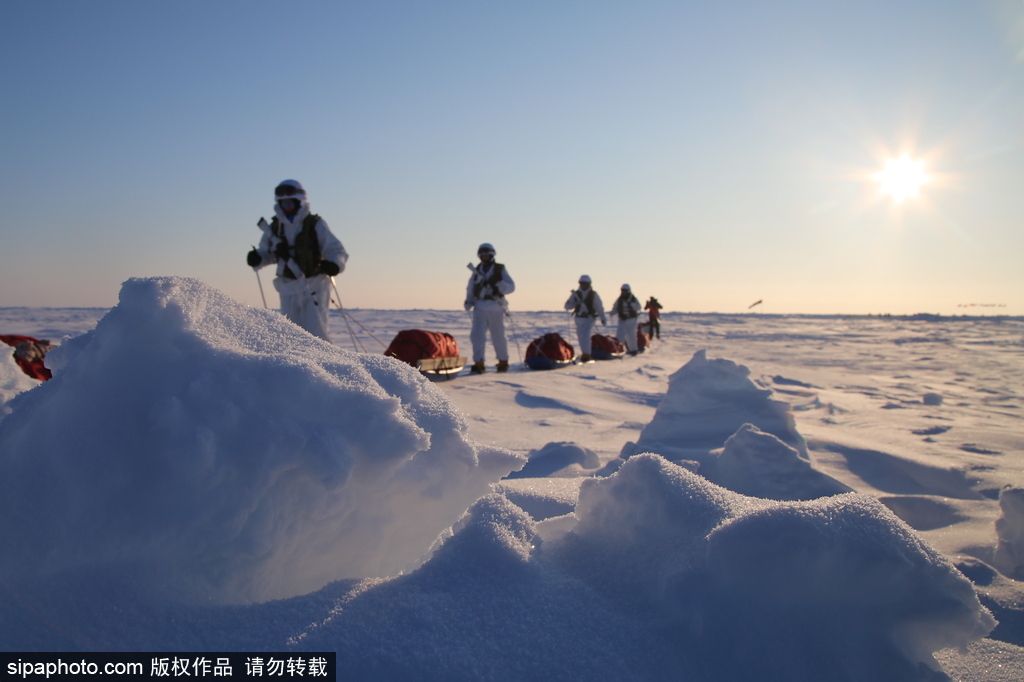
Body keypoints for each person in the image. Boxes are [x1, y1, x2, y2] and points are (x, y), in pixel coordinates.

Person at [246, 180, 349, 342]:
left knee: (316, 332)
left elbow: (336, 250)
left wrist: (335, 264)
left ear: (299, 201)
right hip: (287, 287)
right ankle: (294, 365)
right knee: (290, 334)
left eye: (290, 202)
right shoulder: (274, 227)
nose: (286, 206)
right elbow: (268, 253)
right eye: (283, 202)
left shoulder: (314, 224)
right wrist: (257, 258)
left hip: (314, 285)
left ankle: (322, 363)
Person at [465, 243, 515, 373]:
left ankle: (503, 361)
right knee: (477, 336)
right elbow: (471, 288)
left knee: (498, 336)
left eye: (486, 254)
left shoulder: (499, 269)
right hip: (479, 307)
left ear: (492, 254)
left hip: (496, 307)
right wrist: (468, 301)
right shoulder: (477, 271)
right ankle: (479, 362)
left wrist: (500, 286)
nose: (484, 256)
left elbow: (511, 286)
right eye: (481, 254)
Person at [564, 275, 606, 363]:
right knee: (580, 336)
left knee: (586, 335)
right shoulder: (576, 294)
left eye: (585, 283)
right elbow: (568, 306)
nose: (583, 285)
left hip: (589, 318)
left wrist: (603, 318)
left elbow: (599, 307)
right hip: (579, 318)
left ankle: (587, 354)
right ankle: (584, 353)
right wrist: (570, 302)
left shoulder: (593, 295)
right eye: (581, 283)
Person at [611, 283, 642, 355]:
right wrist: (612, 313)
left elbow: (639, 307)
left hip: (631, 320)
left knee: (631, 335)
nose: (623, 292)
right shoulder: (620, 299)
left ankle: (633, 350)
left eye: (625, 291)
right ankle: (619, 349)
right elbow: (615, 308)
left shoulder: (633, 299)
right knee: (620, 335)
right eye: (622, 291)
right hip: (622, 320)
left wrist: (632, 306)